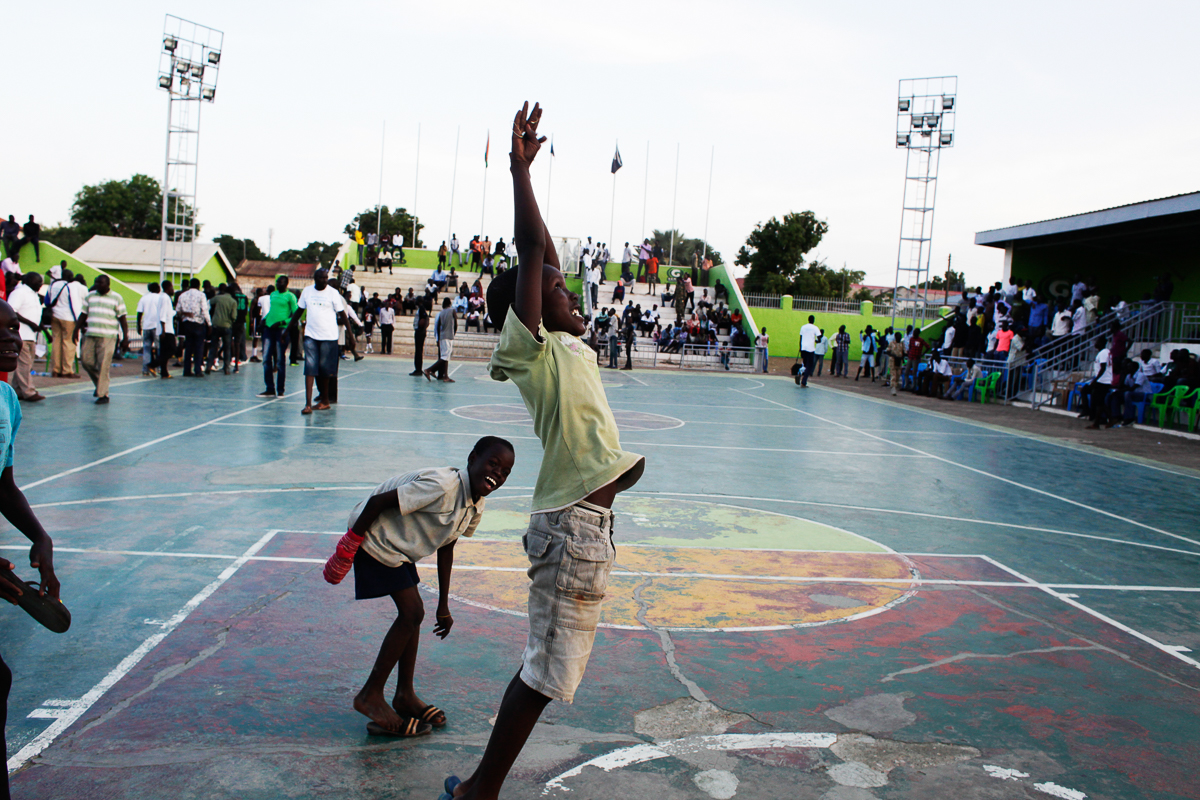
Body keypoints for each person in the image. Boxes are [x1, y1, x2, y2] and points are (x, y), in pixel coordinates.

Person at [447, 102, 646, 800]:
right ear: (530, 312)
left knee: (546, 673)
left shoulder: (567, 345)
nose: (566, 286)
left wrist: (533, 192)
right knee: (541, 676)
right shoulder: (532, 353)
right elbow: (533, 256)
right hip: (572, 528)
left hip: (586, 528)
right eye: (556, 291)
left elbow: (547, 255)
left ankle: (481, 789)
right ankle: (480, 790)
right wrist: (517, 171)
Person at [323, 436, 516, 737]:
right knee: (412, 613)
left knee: (414, 613)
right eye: (493, 464)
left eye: (505, 472)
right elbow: (377, 502)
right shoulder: (443, 486)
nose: (498, 474)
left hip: (398, 546)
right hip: (375, 536)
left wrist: (444, 605)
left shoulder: (475, 505)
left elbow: (447, 547)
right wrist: (349, 546)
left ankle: (404, 695)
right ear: (472, 458)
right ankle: (370, 696)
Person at [0, 298, 62, 800]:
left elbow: (2, 482)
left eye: (13, 328)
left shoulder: (8, 399)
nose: (9, 337)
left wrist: (39, 536)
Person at [292, 268, 346, 415]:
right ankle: (308, 404)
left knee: (324, 371)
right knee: (309, 369)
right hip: (311, 335)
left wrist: (351, 336)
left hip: (329, 337)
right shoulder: (307, 291)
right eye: (321, 278)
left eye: (325, 278)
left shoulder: (333, 293)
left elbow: (343, 314)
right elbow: (298, 311)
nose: (324, 280)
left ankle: (325, 400)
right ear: (315, 278)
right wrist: (287, 330)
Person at [73, 275, 129, 404]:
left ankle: (103, 394)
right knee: (86, 361)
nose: (97, 284)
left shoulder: (116, 298)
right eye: (96, 282)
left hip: (108, 336)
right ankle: (101, 385)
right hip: (90, 334)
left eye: (101, 283)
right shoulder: (90, 296)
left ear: (108, 284)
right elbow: (83, 314)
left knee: (103, 364)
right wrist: (76, 329)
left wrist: (126, 337)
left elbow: (123, 319)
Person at [8, 273, 46, 401]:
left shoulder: (34, 294)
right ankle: (29, 391)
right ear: (30, 280)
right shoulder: (20, 292)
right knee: (24, 364)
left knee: (26, 364)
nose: (40, 284)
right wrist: (30, 324)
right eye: (38, 282)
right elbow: (11, 311)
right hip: (21, 334)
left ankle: (17, 390)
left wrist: (42, 329)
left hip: (31, 335)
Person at [259, 275, 298, 398]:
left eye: (280, 282)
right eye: (277, 282)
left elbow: (295, 314)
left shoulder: (290, 296)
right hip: (269, 328)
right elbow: (273, 310)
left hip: (281, 329)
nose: (278, 284)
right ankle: (269, 388)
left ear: (286, 284)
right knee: (266, 359)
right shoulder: (273, 294)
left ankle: (280, 389)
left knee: (280, 360)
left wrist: (282, 322)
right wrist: (264, 319)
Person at [47, 264, 85, 378]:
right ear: (69, 276)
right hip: (68, 317)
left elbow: (48, 299)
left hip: (55, 316)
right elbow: (74, 303)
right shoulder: (70, 286)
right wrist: (79, 321)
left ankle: (55, 369)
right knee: (68, 343)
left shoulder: (53, 285)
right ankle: (67, 370)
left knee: (56, 343)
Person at [175, 278, 211, 377]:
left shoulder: (183, 295)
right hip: (198, 324)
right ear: (199, 285)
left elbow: (178, 310)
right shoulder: (201, 295)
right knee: (199, 348)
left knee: (188, 347)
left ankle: (187, 370)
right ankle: (197, 370)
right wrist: (209, 324)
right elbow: (204, 310)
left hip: (187, 324)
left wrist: (185, 314)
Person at [424, 298, 457, 383]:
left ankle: (445, 376)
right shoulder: (453, 311)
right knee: (444, 357)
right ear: (450, 303)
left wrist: (438, 338)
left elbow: (438, 326)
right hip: (448, 336)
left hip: (442, 336)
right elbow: (456, 323)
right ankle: (429, 370)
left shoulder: (441, 313)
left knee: (446, 356)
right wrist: (454, 333)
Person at [206, 285, 237, 374]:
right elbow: (233, 316)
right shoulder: (233, 302)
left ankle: (209, 366)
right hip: (227, 326)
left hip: (216, 324)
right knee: (227, 348)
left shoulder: (218, 298)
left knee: (213, 347)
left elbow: (208, 303)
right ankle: (226, 369)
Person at [150, 280, 177, 380]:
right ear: (168, 287)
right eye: (172, 287)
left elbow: (169, 312)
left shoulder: (164, 297)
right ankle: (153, 364)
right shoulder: (165, 298)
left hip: (165, 328)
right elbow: (162, 314)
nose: (173, 290)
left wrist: (177, 312)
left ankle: (164, 372)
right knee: (172, 349)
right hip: (166, 329)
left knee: (164, 351)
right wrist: (163, 330)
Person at [410, 298, 431, 377]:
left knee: (418, 351)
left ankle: (418, 369)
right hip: (420, 331)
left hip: (420, 331)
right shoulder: (421, 309)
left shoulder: (421, 308)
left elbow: (425, 319)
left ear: (419, 301)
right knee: (419, 350)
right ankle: (418, 368)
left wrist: (423, 329)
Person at [797, 315, 820, 387]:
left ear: (808, 319)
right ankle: (804, 382)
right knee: (809, 366)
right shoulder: (815, 328)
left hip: (803, 348)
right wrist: (815, 340)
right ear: (813, 320)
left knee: (804, 364)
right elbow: (819, 339)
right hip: (810, 349)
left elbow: (800, 338)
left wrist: (800, 348)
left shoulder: (803, 327)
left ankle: (800, 372)